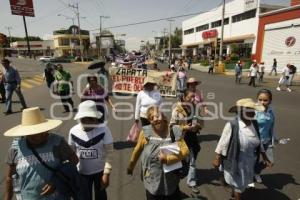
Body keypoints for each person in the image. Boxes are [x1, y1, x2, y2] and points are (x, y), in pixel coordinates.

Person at [4, 107, 78, 200]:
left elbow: (74, 160)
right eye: (31, 134)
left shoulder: (57, 142)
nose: (37, 137)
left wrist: (56, 180)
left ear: (46, 130)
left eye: (40, 132)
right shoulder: (15, 147)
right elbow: (9, 178)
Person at [212, 98, 273, 200]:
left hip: (249, 160)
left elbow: (259, 143)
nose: (253, 112)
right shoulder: (232, 125)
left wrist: (265, 157)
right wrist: (217, 157)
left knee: (243, 182)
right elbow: (223, 142)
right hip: (235, 159)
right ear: (240, 112)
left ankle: (232, 187)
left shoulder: (254, 124)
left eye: (253, 110)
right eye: (249, 110)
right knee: (239, 184)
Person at [127, 106, 189, 200]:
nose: (155, 119)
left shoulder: (173, 131)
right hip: (152, 181)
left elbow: (185, 151)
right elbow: (137, 150)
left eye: (157, 116)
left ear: (163, 116)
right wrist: (131, 166)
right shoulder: (145, 133)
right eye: (151, 118)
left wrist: (168, 159)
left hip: (171, 181)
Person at [69, 100, 113, 200]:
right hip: (81, 173)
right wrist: (72, 174)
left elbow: (109, 153)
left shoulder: (104, 130)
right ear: (79, 118)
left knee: (101, 196)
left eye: (91, 119)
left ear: (96, 118)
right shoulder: (73, 131)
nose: (88, 122)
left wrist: (106, 173)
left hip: (100, 172)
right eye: (84, 119)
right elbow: (71, 154)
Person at [170, 90, 203, 194]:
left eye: (194, 97)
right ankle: (174, 186)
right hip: (181, 139)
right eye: (190, 97)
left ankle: (192, 182)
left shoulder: (194, 108)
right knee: (179, 163)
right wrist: (184, 127)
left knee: (192, 161)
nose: (193, 99)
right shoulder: (177, 110)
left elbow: (200, 122)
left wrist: (198, 126)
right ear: (184, 98)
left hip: (192, 138)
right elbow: (172, 126)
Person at [252, 89, 276, 185]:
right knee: (253, 160)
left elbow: (271, 126)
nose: (262, 102)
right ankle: (249, 177)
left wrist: (273, 140)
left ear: (270, 100)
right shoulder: (254, 111)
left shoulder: (271, 111)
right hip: (255, 141)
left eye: (265, 100)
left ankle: (256, 172)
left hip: (266, 141)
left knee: (270, 161)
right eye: (260, 99)